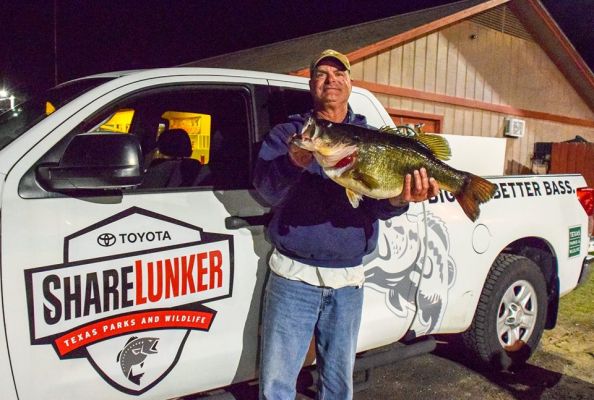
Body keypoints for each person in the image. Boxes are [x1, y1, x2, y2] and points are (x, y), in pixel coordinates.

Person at [253, 49, 439, 399]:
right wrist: (292, 162)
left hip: (349, 281)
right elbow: (266, 190)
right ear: (311, 85)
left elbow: (380, 208)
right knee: (277, 385)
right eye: (322, 73)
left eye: (339, 73)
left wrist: (401, 198)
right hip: (294, 277)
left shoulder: (371, 139)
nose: (331, 80)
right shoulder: (290, 134)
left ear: (350, 83)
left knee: (338, 385)